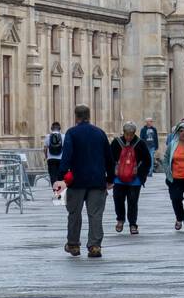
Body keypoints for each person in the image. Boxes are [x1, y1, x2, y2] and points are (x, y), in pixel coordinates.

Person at [55, 104, 114, 259]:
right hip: (97, 180)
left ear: (76, 117)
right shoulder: (100, 133)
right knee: (95, 214)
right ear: (89, 116)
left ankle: (73, 244)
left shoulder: (72, 133)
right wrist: (110, 178)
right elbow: (109, 158)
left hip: (77, 181)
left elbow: (66, 157)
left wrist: (60, 177)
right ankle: (94, 246)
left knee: (74, 213)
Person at [109, 122, 151, 234]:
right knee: (118, 200)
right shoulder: (116, 143)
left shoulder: (140, 143)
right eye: (127, 134)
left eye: (131, 134)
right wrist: (113, 171)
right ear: (124, 133)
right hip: (119, 178)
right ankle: (120, 219)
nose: (129, 136)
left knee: (133, 201)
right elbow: (109, 159)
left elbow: (147, 160)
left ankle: (133, 224)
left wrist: (141, 173)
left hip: (135, 179)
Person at [164, 121, 184, 231]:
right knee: (176, 199)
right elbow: (166, 159)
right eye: (181, 131)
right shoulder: (172, 144)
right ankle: (179, 217)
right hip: (175, 178)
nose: (183, 133)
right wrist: (168, 173)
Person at [44, 121, 64, 188]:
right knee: (60, 175)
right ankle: (60, 191)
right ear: (59, 128)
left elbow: (45, 148)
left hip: (51, 159)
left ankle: (55, 190)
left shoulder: (48, 136)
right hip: (61, 159)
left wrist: (46, 156)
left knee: (52, 175)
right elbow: (65, 148)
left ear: (51, 128)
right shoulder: (63, 136)